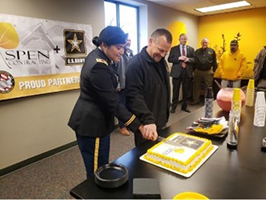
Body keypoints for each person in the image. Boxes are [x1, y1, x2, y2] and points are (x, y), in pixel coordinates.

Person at [68, 26, 156, 178]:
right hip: (92, 125)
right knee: (97, 171)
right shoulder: (98, 67)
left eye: (123, 47)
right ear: (104, 45)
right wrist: (140, 127)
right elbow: (113, 104)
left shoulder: (100, 56)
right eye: (118, 48)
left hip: (98, 121)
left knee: (102, 166)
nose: (122, 52)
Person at [125, 28, 172, 146]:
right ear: (150, 41)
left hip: (161, 120)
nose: (163, 55)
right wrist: (148, 120)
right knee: (146, 160)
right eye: (160, 50)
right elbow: (134, 97)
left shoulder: (161, 61)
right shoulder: (136, 64)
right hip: (147, 124)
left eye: (166, 52)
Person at [111, 37, 134, 136]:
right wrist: (118, 84)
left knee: (128, 104)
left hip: (129, 84)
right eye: (126, 41)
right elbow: (114, 70)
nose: (128, 42)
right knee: (121, 105)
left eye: (130, 40)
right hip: (121, 85)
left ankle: (127, 123)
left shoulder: (130, 52)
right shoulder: (119, 54)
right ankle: (122, 127)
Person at [168, 33, 195, 113]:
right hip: (177, 72)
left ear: (186, 40)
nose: (183, 40)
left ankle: (184, 106)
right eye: (182, 38)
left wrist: (188, 60)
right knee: (175, 91)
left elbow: (195, 59)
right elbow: (169, 59)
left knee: (186, 91)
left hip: (187, 72)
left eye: (185, 39)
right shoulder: (174, 49)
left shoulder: (191, 49)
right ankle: (173, 107)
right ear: (179, 39)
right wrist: (178, 58)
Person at [191, 38, 217, 105]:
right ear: (201, 43)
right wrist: (193, 71)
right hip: (198, 71)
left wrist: (214, 71)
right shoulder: (197, 51)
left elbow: (214, 62)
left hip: (208, 72)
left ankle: (207, 101)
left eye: (205, 42)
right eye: (203, 42)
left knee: (208, 87)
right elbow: (194, 61)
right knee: (196, 86)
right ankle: (195, 100)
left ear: (208, 43)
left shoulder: (212, 51)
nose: (204, 43)